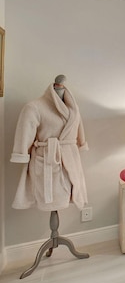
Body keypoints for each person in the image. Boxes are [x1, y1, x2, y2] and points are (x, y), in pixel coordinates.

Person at [10, 75, 89, 211]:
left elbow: (78, 129)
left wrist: (81, 143)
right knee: (51, 197)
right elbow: (25, 132)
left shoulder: (74, 108)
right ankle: (54, 230)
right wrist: (21, 153)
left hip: (71, 157)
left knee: (70, 192)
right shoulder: (34, 107)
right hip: (46, 158)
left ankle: (56, 230)